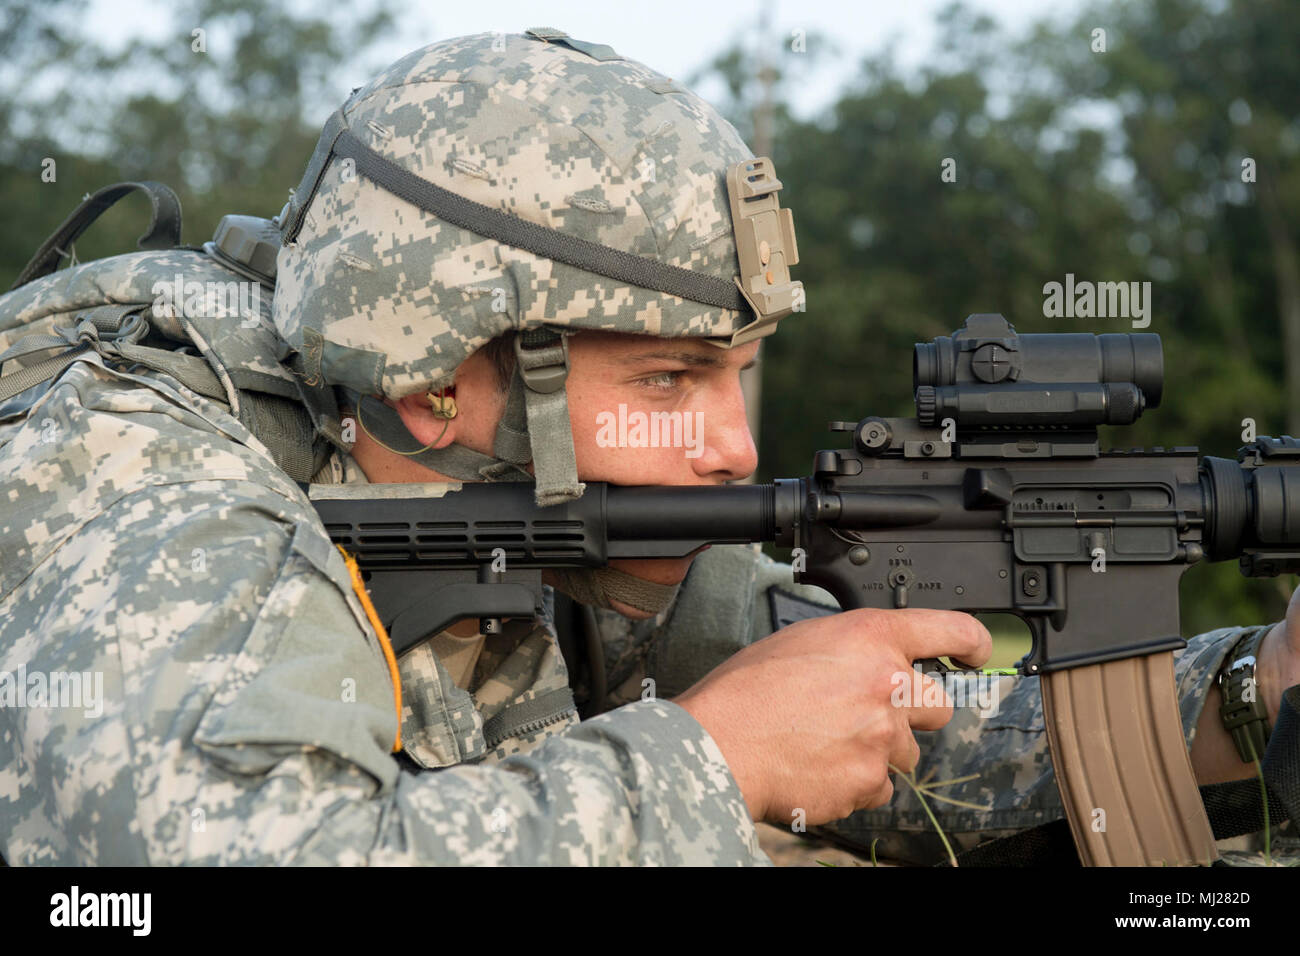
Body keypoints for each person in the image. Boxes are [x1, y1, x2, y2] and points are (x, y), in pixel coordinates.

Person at [0, 29, 1294, 866]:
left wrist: (1257, 693)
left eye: (741, 374)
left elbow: (924, 748)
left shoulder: (546, 511)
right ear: (441, 370)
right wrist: (715, 759)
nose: (733, 446)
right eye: (672, 378)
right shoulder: (143, 481)